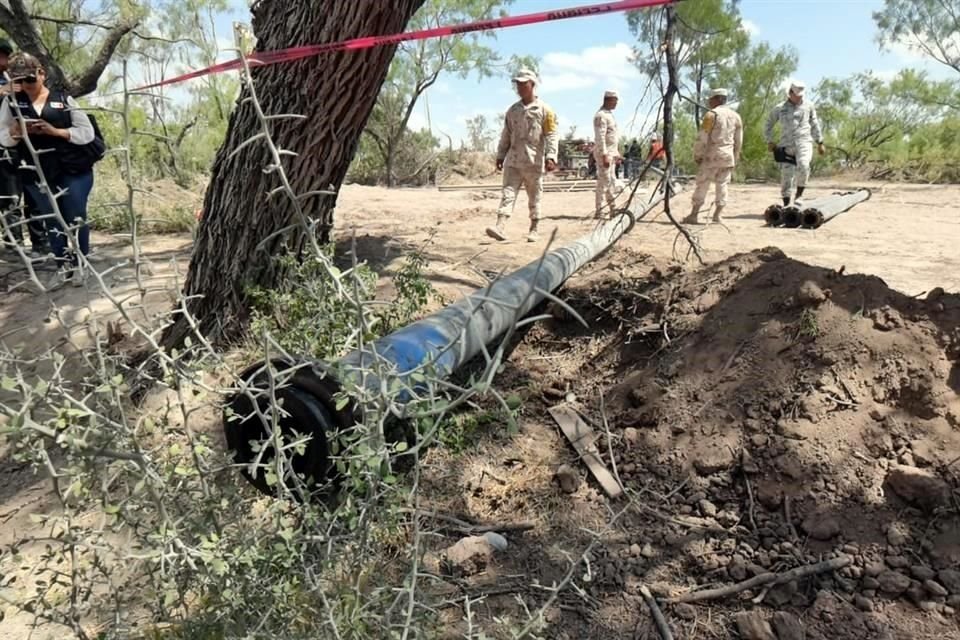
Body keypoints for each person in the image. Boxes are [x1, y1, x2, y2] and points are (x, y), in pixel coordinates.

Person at [0, 53, 96, 287]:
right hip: (37, 171)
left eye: (30, 79)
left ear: (41, 74)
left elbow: (87, 133)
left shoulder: (63, 99)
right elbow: (3, 136)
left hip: (72, 168)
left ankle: (82, 262)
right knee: (51, 218)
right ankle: (62, 264)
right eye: (20, 81)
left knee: (75, 216)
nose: (26, 85)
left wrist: (56, 132)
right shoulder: (11, 103)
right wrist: (14, 133)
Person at [487, 69, 559, 243]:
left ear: (532, 84)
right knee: (508, 193)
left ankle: (534, 229)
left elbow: (551, 134)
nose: (519, 88)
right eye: (517, 84)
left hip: (533, 162)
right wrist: (500, 155)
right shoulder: (513, 110)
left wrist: (551, 156)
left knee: (535, 197)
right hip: (513, 161)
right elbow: (506, 134)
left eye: (523, 84)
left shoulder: (545, 110)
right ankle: (500, 226)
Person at [683, 88, 743, 225]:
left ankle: (694, 214)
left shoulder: (711, 115)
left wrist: (698, 154)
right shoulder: (736, 117)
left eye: (711, 99)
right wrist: (735, 156)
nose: (709, 102)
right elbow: (738, 141)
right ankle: (717, 215)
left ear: (717, 99)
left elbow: (702, 137)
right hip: (727, 157)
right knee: (722, 185)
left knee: (702, 184)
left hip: (711, 156)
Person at [764, 81, 825, 207]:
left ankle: (799, 195)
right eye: (797, 95)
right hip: (786, 145)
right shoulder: (780, 108)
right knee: (787, 175)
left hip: (804, 142)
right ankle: (786, 204)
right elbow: (768, 124)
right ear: (790, 93)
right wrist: (769, 141)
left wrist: (820, 142)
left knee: (804, 165)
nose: (799, 98)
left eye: (801, 95)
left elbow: (814, 124)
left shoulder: (809, 106)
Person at [593, 90, 620, 218]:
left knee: (606, 182)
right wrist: (604, 155)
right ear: (608, 100)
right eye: (615, 100)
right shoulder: (601, 116)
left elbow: (612, 137)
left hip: (610, 154)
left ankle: (604, 209)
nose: (616, 103)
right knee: (607, 183)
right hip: (604, 154)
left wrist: (616, 153)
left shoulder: (609, 115)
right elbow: (600, 137)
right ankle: (609, 209)